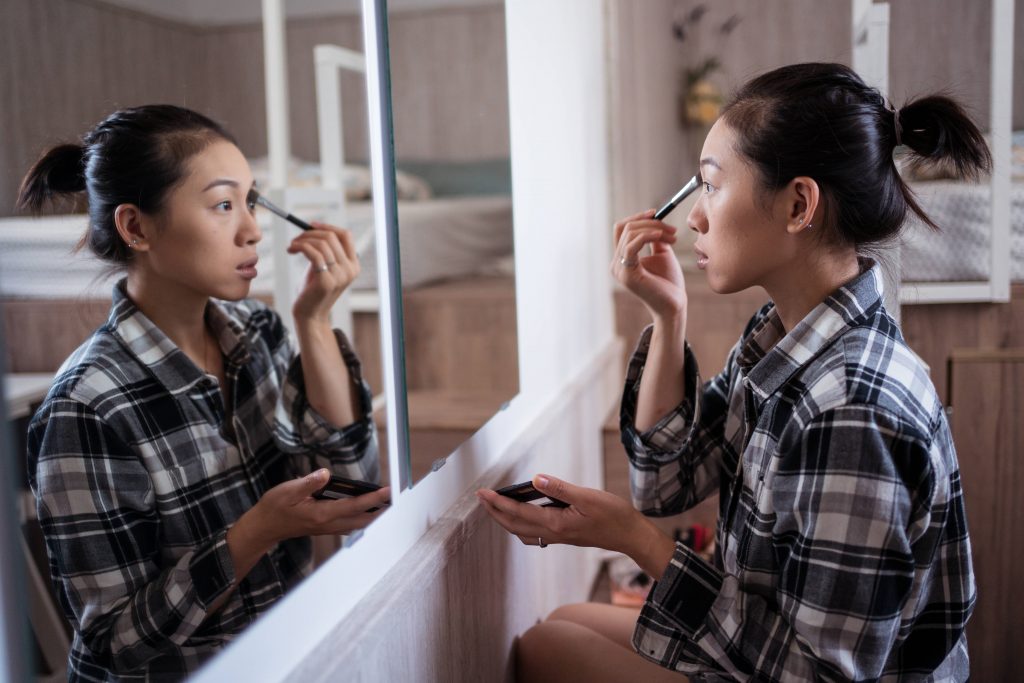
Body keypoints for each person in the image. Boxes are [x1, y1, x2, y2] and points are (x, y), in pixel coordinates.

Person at [478, 62, 987, 682]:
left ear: (799, 204)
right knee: (562, 622)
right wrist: (669, 318)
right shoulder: (780, 336)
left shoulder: (849, 409)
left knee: (547, 652)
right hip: (770, 647)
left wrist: (639, 542)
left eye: (712, 186)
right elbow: (664, 484)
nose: (694, 216)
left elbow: (818, 675)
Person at [20, 104, 390, 681]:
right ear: (136, 228)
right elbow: (111, 645)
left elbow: (352, 482)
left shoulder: (259, 333)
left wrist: (315, 320)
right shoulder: (86, 407)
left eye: (250, 201)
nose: (252, 229)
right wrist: (257, 530)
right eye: (223, 205)